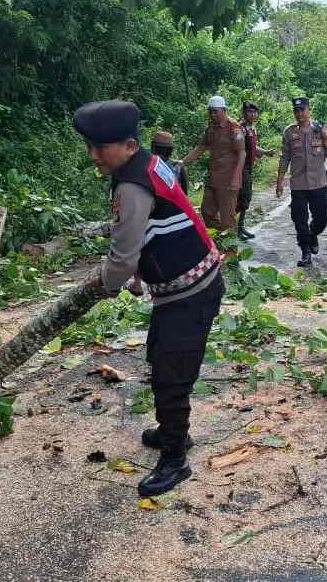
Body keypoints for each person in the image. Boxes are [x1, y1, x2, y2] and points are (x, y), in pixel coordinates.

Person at [72, 100, 224, 497]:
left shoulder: (131, 185)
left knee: (171, 374)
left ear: (126, 145)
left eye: (98, 148)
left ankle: (175, 457)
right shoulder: (151, 164)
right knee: (160, 356)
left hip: (191, 290)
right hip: (189, 284)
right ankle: (172, 430)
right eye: (90, 146)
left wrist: (105, 286)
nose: (93, 156)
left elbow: (123, 257)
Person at [277, 96, 327, 267]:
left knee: (321, 218)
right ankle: (305, 251)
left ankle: (313, 234)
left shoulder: (321, 130)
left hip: (318, 183)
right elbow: (285, 158)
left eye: (302, 110)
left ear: (308, 109)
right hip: (298, 184)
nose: (299, 114)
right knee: (299, 218)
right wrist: (279, 180)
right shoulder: (289, 132)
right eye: (296, 111)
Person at [182, 96, 245, 232]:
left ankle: (231, 251)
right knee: (206, 212)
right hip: (213, 179)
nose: (212, 115)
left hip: (228, 181)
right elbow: (200, 148)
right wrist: (182, 163)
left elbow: (242, 153)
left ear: (224, 110)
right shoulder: (211, 128)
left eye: (215, 111)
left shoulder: (233, 127)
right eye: (210, 111)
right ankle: (220, 239)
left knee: (228, 218)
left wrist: (236, 178)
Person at [237, 101, 273, 241]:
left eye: (254, 112)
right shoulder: (241, 129)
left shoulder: (252, 128)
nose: (252, 114)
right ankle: (235, 228)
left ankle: (239, 227)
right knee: (243, 197)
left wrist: (266, 152)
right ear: (243, 113)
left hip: (248, 168)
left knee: (245, 197)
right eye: (249, 112)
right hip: (240, 168)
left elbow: (254, 149)